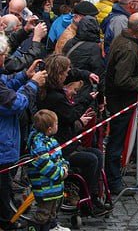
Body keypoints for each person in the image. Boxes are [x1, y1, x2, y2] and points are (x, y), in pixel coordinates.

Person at [36, 55, 107, 215]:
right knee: (91, 159)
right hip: (60, 147)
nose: (68, 74)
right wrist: (86, 99)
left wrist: (86, 74)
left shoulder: (53, 87)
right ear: (59, 74)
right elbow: (71, 115)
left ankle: (92, 197)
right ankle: (86, 200)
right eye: (65, 72)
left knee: (97, 154)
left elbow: (72, 73)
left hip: (66, 140)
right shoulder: (55, 97)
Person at [104, 13, 138, 195]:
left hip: (128, 99)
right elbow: (122, 80)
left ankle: (136, 152)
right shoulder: (128, 48)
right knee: (117, 141)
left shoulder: (128, 41)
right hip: (121, 101)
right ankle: (113, 181)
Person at [0, 45, 46, 231]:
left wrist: (25, 76)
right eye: (3, 55)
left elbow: (6, 85)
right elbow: (16, 103)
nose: (5, 58)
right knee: (2, 187)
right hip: (2, 145)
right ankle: (6, 222)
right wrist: (33, 84)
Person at [26, 109, 69, 231]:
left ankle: (52, 226)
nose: (58, 126)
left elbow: (59, 157)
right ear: (49, 129)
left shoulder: (52, 141)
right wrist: (60, 173)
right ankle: (35, 227)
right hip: (45, 186)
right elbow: (45, 165)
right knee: (43, 212)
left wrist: (65, 165)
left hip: (53, 185)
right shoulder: (39, 145)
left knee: (52, 210)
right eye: (56, 123)